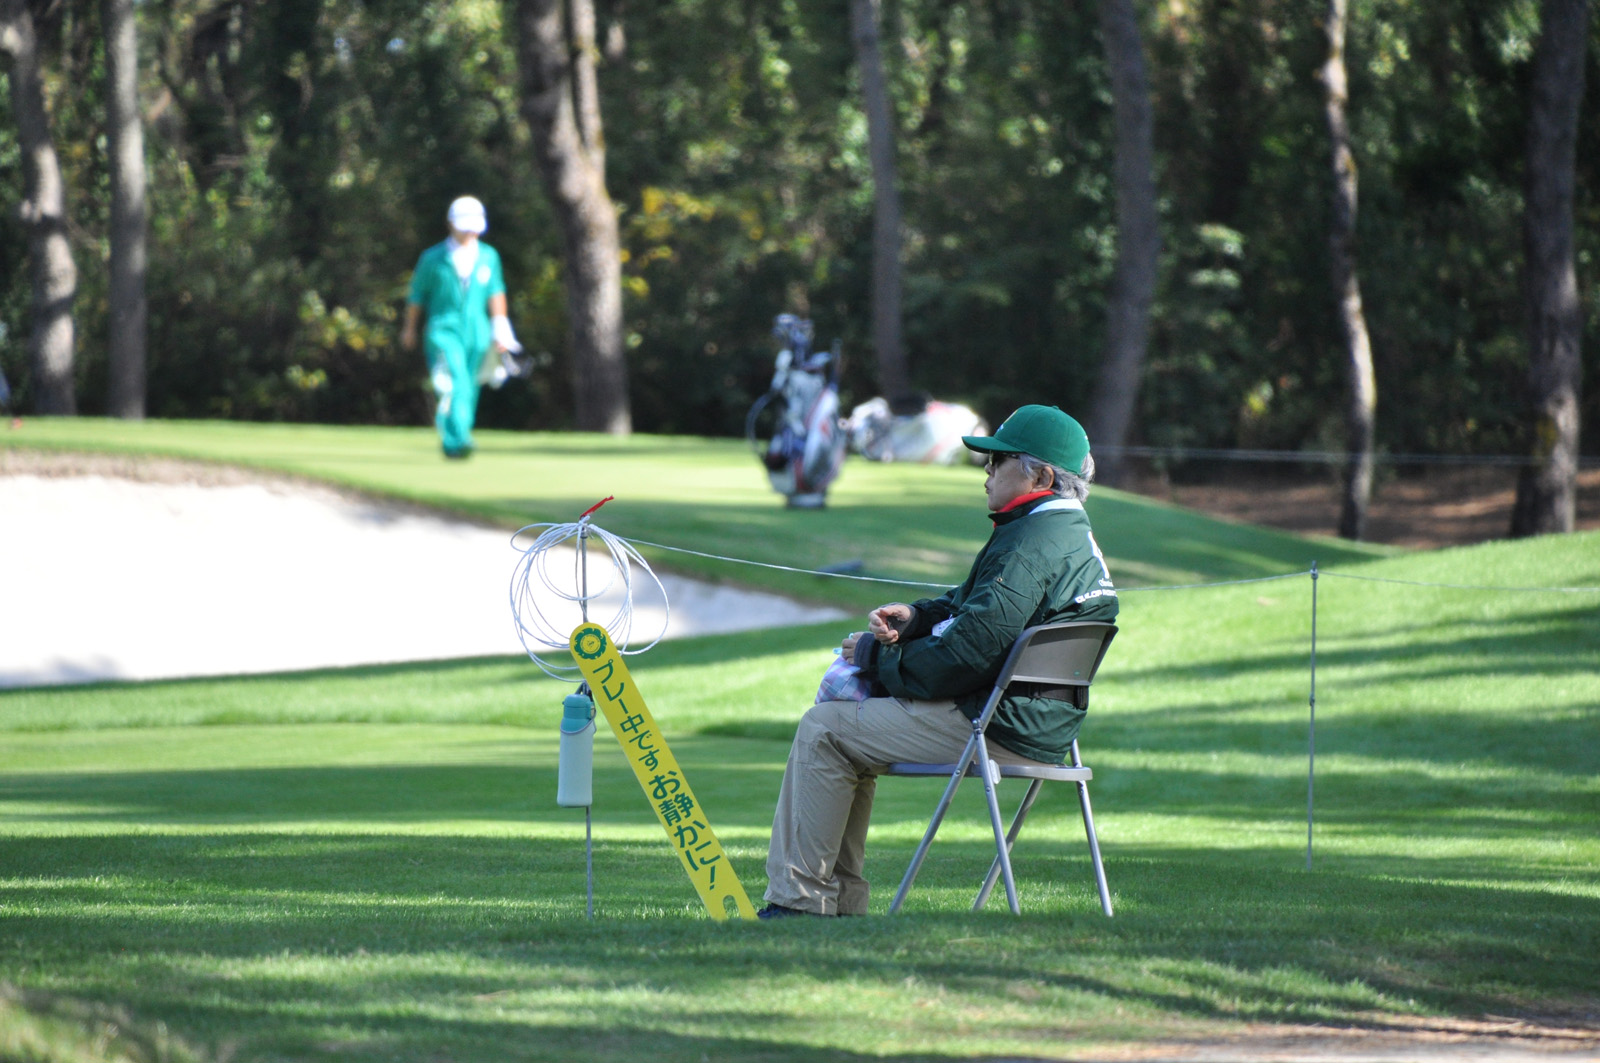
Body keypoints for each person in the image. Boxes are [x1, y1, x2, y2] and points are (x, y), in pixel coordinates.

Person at [760, 404, 1119, 918]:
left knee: (824, 729)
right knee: (842, 736)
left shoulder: (1030, 544)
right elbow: (972, 608)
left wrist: (876, 658)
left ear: (1040, 476)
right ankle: (833, 906)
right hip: (1041, 724)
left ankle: (801, 905)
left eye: (999, 461)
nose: (986, 471)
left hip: (994, 722)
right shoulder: (1063, 533)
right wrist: (917, 618)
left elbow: (965, 656)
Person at [400, 195, 522, 459]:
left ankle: (457, 437)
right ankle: (458, 439)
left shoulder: (489, 256)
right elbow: (417, 297)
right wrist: (409, 329)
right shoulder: (432, 258)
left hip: (478, 331)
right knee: (456, 380)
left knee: (470, 384)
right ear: (451, 224)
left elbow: (496, 292)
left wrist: (501, 328)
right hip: (443, 329)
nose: (470, 232)